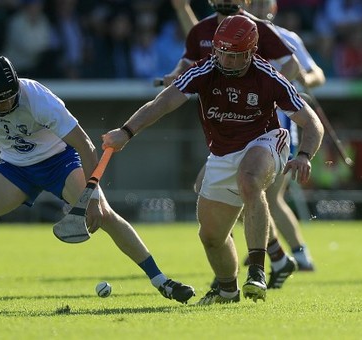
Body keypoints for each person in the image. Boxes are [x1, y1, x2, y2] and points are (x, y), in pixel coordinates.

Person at [0, 56, 195, 308]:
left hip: (60, 161)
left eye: (10, 96)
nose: (6, 103)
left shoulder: (37, 98)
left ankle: (161, 281)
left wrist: (91, 199)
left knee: (104, 215)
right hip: (15, 168)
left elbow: (84, 145)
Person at [102, 15, 324, 304]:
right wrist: (126, 131)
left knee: (250, 179)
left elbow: (312, 123)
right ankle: (227, 289)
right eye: (221, 53)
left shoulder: (269, 76)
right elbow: (162, 104)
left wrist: (305, 155)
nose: (225, 60)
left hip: (266, 141)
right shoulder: (204, 70)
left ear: (250, 52)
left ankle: (257, 270)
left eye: (233, 56)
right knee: (211, 236)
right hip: (222, 153)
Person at [166, 0, 301, 288]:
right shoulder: (201, 29)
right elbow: (188, 63)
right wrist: (176, 74)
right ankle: (277, 258)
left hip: (260, 131)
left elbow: (292, 65)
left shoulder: (258, 28)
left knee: (251, 189)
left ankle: (252, 269)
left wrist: (274, 93)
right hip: (224, 131)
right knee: (222, 192)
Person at [246, 0, 326, 271]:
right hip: (242, 126)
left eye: (261, 2)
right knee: (241, 192)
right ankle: (268, 248)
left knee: (269, 197)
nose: (255, 6)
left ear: (273, 7)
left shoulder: (286, 38)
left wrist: (301, 77)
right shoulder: (234, 33)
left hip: (277, 127)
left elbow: (316, 74)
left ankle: (298, 255)